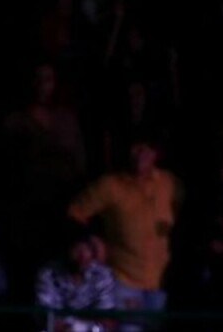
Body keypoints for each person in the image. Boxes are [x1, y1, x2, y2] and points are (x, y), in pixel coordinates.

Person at [67, 132, 182, 332]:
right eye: (136, 146)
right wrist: (92, 240)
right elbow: (75, 213)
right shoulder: (110, 185)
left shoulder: (168, 183)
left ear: (156, 153)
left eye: (146, 148)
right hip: (125, 281)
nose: (140, 153)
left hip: (160, 283)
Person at [35, 222, 116, 332]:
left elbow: (107, 317)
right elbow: (48, 317)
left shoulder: (102, 274)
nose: (82, 254)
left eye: (86, 248)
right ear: (66, 249)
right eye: (76, 248)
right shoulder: (49, 274)